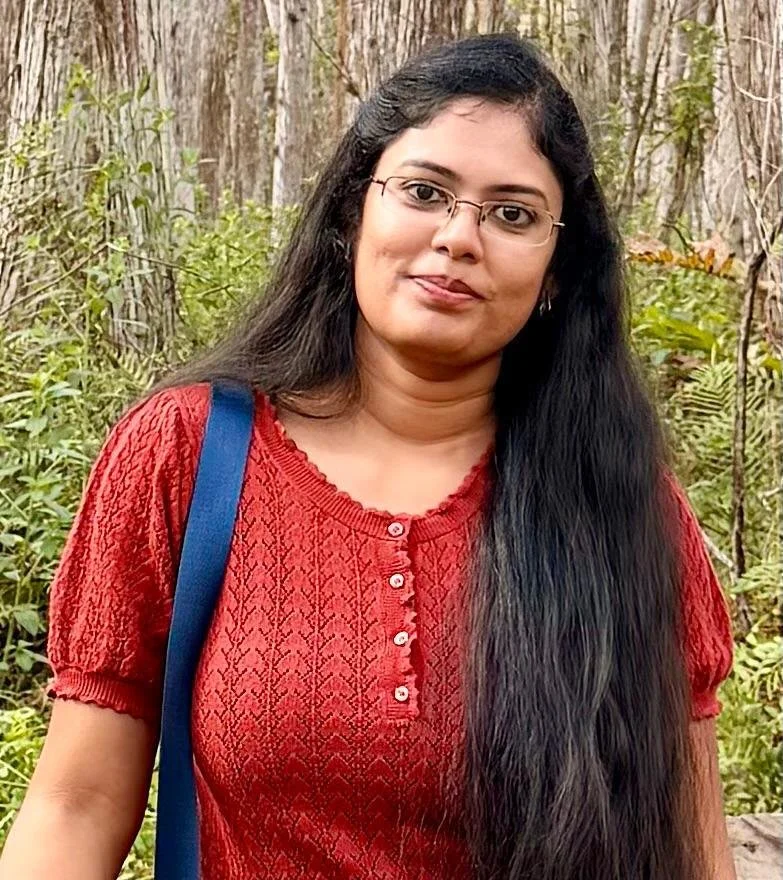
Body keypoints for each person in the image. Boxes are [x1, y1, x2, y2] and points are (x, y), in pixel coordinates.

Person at [0, 33, 736, 880]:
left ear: (557, 273)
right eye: (424, 191)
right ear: (356, 210)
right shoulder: (189, 457)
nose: (459, 238)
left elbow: (689, 849)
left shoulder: (621, 505)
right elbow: (75, 804)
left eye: (512, 213)